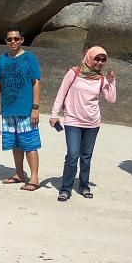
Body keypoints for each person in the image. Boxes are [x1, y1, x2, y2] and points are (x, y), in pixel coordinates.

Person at [50, 46, 116, 201]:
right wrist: (54, 115)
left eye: (103, 60)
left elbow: (111, 99)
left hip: (92, 122)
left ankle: (84, 186)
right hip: (73, 120)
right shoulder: (74, 73)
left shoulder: (101, 79)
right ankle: (65, 188)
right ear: (89, 57)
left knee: (86, 156)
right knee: (73, 155)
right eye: (97, 58)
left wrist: (111, 81)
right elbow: (61, 93)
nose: (99, 62)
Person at [0, 26, 42, 191]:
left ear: (22, 40)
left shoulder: (29, 58)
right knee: (15, 144)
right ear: (5, 41)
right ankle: (19, 173)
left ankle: (34, 178)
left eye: (16, 38)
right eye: (9, 39)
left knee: (29, 143)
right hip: (8, 109)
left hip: (26, 109)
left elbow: (36, 82)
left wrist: (35, 107)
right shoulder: (1, 60)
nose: (13, 41)